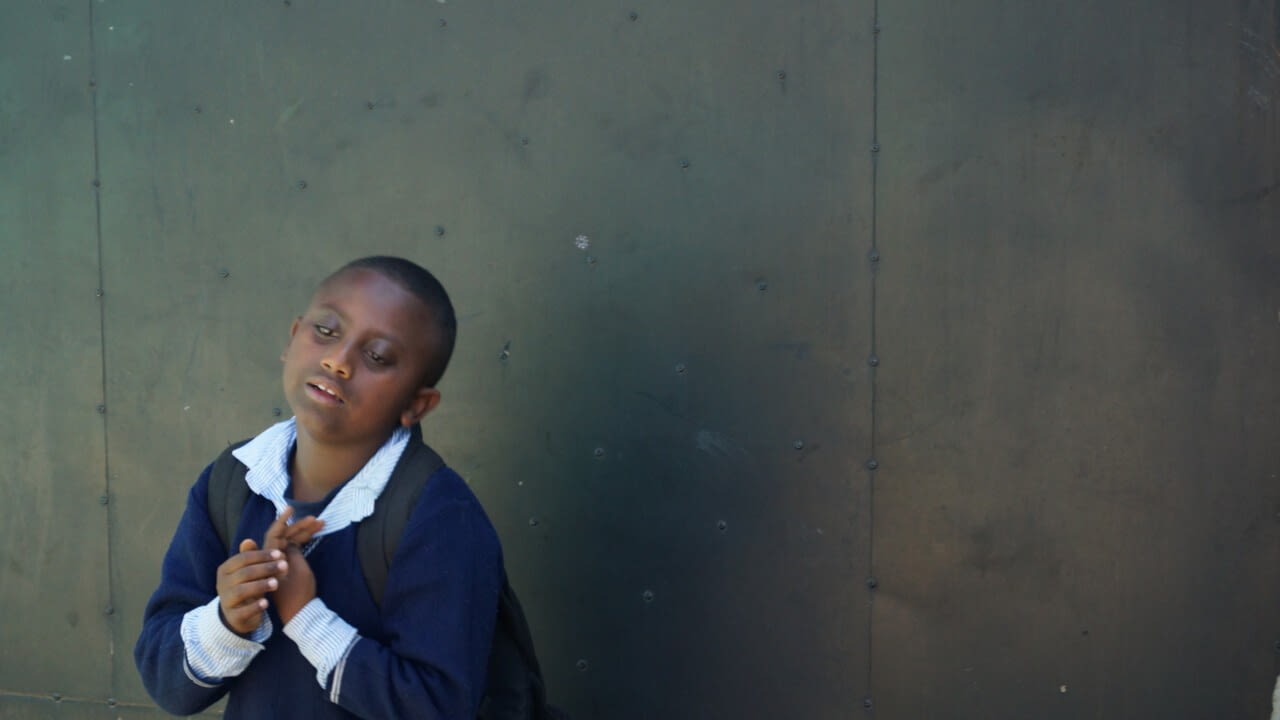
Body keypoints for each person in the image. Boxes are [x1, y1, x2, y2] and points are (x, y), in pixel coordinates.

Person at [135, 256, 503, 719]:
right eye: (326, 331)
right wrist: (228, 619)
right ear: (292, 338)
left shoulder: (439, 516)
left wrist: (306, 616)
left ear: (417, 404)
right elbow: (166, 683)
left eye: (377, 357)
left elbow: (439, 706)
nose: (338, 361)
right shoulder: (234, 480)